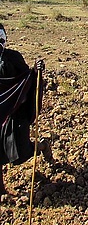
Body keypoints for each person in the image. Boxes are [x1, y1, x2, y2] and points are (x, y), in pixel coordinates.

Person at [0, 23, 52, 197]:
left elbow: (26, 80)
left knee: (22, 151)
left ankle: (43, 146)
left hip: (13, 114)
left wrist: (36, 71)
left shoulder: (12, 58)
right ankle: (1, 190)